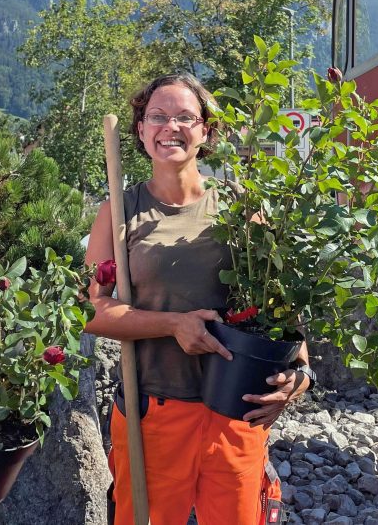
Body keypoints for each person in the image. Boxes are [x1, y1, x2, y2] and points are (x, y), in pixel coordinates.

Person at [84, 73, 314, 525]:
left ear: (206, 131)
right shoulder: (120, 209)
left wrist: (300, 376)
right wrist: (172, 324)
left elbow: (278, 309)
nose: (171, 126)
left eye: (185, 117)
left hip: (236, 409)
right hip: (154, 411)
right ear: (141, 130)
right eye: (157, 116)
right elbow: (93, 310)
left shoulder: (238, 207)